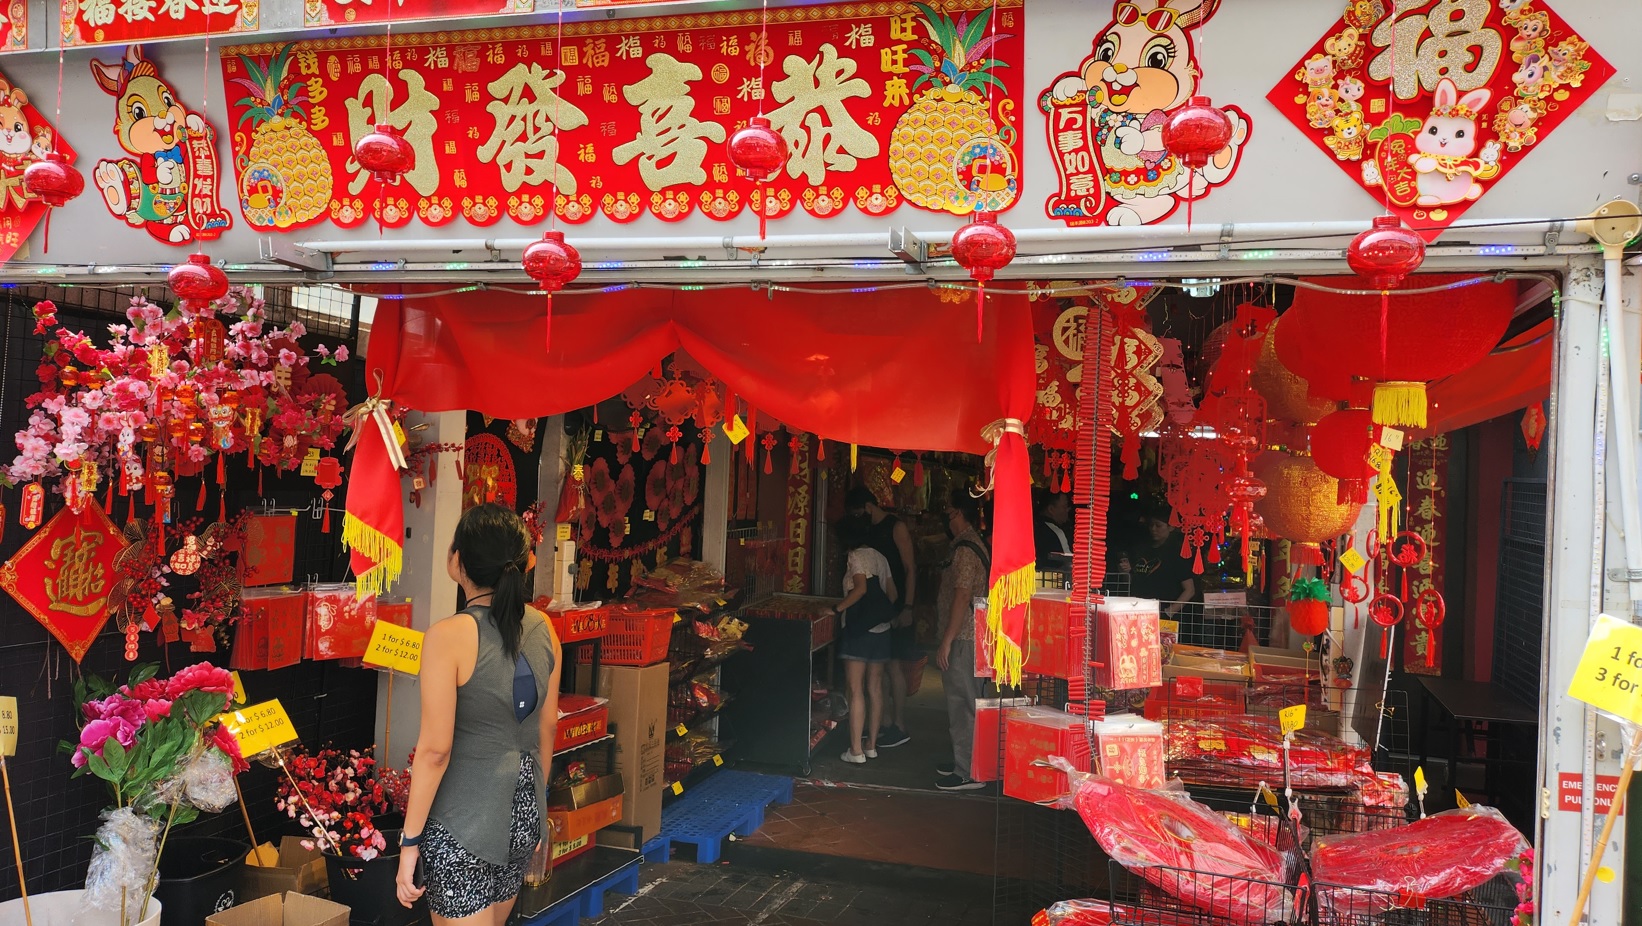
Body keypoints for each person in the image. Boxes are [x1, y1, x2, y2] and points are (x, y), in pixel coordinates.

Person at [396, 503, 563, 925]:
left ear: (458, 561)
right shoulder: (545, 628)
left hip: (464, 818)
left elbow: (435, 751)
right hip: (524, 810)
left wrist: (410, 841)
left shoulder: (447, 637)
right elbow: (548, 726)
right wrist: (534, 808)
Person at [844, 485, 917, 749]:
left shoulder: (895, 527)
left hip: (894, 604)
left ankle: (898, 724)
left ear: (867, 506)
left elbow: (910, 568)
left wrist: (907, 606)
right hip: (874, 610)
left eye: (855, 512)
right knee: (880, 670)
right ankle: (883, 724)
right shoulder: (865, 533)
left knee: (893, 666)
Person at [831, 515, 900, 764]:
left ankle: (855, 750)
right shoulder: (880, 557)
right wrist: (877, 614)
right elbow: (892, 594)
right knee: (875, 687)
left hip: (858, 631)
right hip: (881, 631)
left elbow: (859, 588)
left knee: (855, 688)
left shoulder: (855, 556)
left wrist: (837, 609)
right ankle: (871, 745)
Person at [935, 489, 989, 791]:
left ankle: (967, 770)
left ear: (958, 514)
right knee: (965, 700)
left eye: (949, 510)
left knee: (963, 701)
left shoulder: (966, 550)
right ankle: (963, 760)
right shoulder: (966, 545)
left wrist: (947, 641)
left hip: (964, 636)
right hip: (967, 634)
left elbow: (962, 594)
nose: (946, 516)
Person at [1121, 509, 1197, 619]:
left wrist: (1168, 612)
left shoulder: (1177, 553)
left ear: (1171, 527)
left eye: (1158, 526)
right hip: (1138, 609)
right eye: (1151, 525)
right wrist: (1125, 572)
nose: (1153, 529)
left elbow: (1190, 590)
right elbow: (1132, 580)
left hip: (1163, 613)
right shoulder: (1141, 549)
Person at [1034, 489, 1074, 572]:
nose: (1068, 510)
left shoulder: (1032, 527)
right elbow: (1070, 562)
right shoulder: (1056, 532)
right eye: (1065, 506)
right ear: (1051, 509)